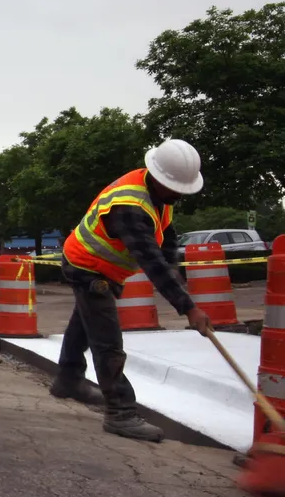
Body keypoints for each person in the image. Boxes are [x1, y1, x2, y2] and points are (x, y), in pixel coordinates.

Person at [54, 138, 213, 442]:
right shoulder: (131, 207)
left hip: (99, 265)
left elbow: (165, 239)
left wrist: (176, 277)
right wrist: (188, 307)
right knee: (107, 339)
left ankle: (68, 379)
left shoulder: (158, 196)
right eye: (176, 187)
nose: (180, 194)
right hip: (87, 264)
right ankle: (120, 413)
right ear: (159, 177)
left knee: (84, 323)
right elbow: (150, 261)